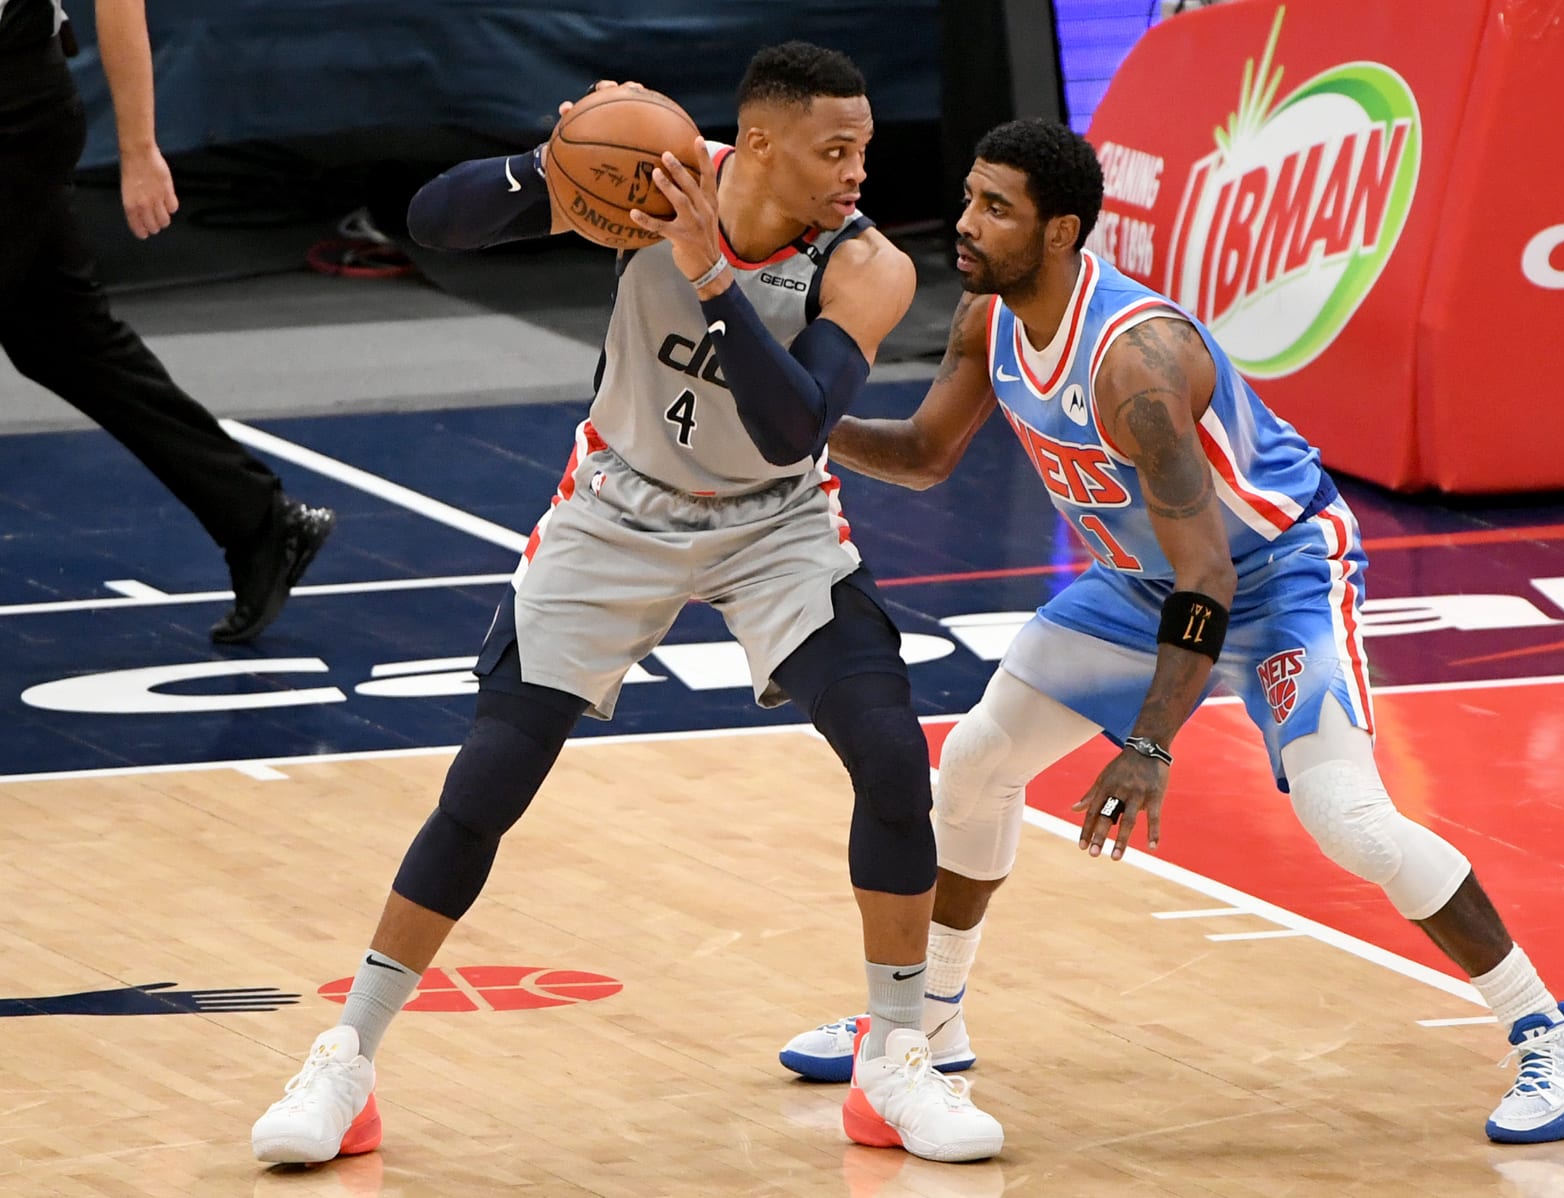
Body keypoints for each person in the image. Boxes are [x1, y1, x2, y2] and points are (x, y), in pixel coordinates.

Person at [778, 118, 1564, 1146]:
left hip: (1276, 574)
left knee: (1347, 818)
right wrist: (797, 424)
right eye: (969, 198)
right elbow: (922, 453)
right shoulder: (987, 316)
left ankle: (1554, 1035)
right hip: (1142, 585)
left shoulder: (1137, 362)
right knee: (979, 761)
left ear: (1060, 232)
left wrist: (1149, 744)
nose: (965, 222)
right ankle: (926, 1028)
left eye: (995, 207)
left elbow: (1210, 572)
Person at [248, 43, 1003, 1167]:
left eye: (865, 149)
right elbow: (432, 221)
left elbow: (793, 430)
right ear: (757, 143)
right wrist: (546, 164)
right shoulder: (653, 172)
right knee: (487, 783)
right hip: (616, 508)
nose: (858, 171)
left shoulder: (867, 264)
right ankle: (346, 1060)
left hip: (773, 524)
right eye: (835, 149)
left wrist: (709, 278)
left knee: (893, 755)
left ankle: (894, 1059)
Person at [0, 0, 334, 642]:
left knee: (65, 338)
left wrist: (139, 150)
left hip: (13, 117)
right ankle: (259, 521)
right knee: (62, 340)